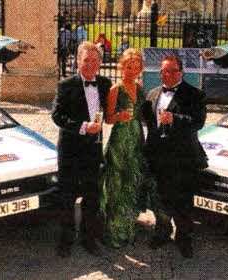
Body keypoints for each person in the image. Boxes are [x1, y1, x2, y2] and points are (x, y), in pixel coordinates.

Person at [142, 55, 208, 258]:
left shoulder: (195, 94)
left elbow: (198, 122)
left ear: (181, 72)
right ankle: (162, 231)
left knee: (181, 200)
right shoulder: (152, 93)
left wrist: (175, 118)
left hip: (181, 157)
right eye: (164, 71)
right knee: (159, 198)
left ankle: (184, 238)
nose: (167, 75)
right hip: (157, 156)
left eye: (172, 71)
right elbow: (147, 121)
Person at [52, 42, 112, 258]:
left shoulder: (106, 83)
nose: (90, 65)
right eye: (86, 60)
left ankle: (89, 238)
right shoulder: (65, 85)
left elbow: (112, 110)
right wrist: (83, 127)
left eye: (95, 61)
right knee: (67, 196)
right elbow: (57, 116)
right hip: (70, 149)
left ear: (100, 63)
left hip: (93, 150)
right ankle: (66, 240)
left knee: (91, 196)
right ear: (78, 61)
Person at [100, 48, 148, 248]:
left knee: (133, 180)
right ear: (121, 67)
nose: (132, 71)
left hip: (136, 137)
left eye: (136, 67)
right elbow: (108, 118)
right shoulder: (115, 89)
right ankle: (115, 229)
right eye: (129, 67)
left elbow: (143, 114)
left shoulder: (139, 86)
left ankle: (128, 222)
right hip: (120, 139)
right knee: (117, 182)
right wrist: (118, 116)